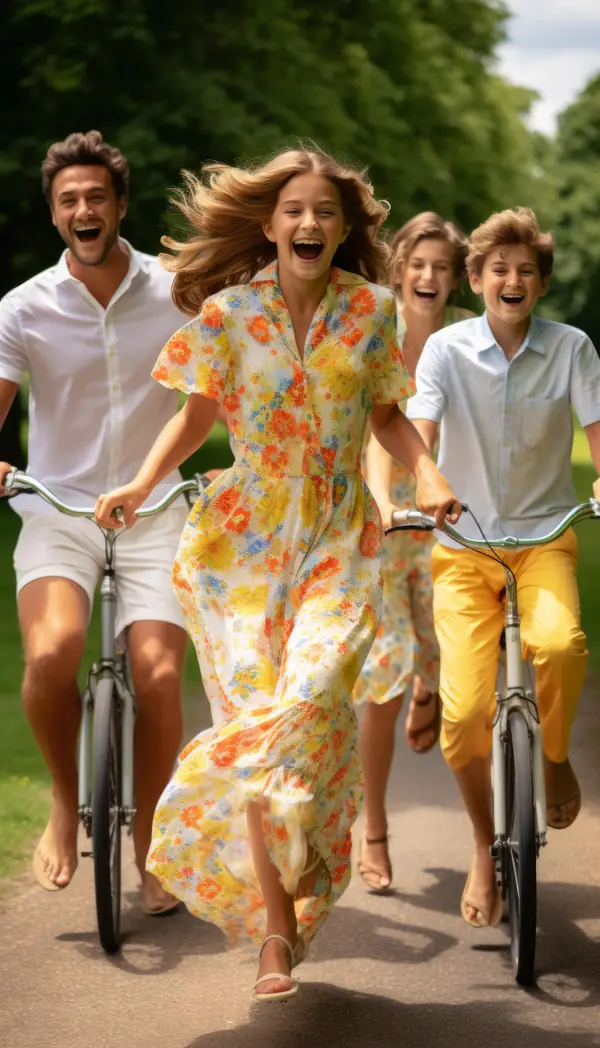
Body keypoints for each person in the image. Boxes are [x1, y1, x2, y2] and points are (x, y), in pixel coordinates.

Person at [95, 146, 458, 1000]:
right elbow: (196, 417)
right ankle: (275, 931)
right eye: (294, 210)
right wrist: (144, 482)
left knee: (311, 699)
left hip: (337, 536)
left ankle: (255, 826)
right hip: (240, 550)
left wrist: (429, 473)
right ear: (269, 224)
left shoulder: (372, 310)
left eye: (326, 212)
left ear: (343, 228)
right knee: (262, 723)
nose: (310, 223)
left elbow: (388, 416)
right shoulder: (227, 316)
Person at [0, 131, 190, 914]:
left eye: (96, 197)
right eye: (69, 200)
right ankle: (60, 801)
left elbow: (222, 386)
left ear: (120, 206)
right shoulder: (23, 307)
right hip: (60, 505)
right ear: (54, 215)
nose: (85, 210)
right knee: (51, 651)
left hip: (157, 510)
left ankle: (150, 841)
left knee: (160, 674)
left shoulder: (180, 290)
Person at [406, 207, 600, 928]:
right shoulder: (446, 352)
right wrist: (426, 476)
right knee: (461, 720)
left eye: (525, 271)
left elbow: (597, 431)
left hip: (545, 538)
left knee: (558, 645)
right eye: (498, 270)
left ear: (540, 283)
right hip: (464, 548)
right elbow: (420, 428)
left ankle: (551, 757)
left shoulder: (573, 349)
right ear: (478, 279)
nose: (511, 280)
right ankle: (486, 848)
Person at [354, 213, 474, 893]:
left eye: (441, 267)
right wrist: (377, 503)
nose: (428, 277)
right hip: (384, 516)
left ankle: (429, 685)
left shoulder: (464, 335)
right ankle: (374, 827)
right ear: (398, 268)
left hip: (445, 512)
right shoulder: (377, 327)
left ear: (454, 277)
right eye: (417, 264)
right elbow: (378, 425)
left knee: (450, 662)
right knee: (383, 675)